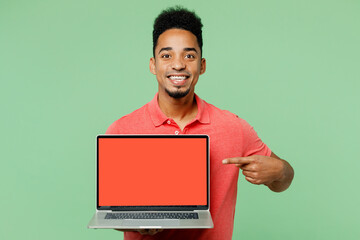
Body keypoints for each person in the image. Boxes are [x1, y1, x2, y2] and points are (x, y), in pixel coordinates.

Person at [106, 6, 294, 240]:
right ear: (153, 65)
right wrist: (137, 224)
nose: (178, 64)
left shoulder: (233, 127)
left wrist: (281, 171)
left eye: (189, 55)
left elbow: (282, 181)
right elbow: (112, 212)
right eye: (167, 55)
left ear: (202, 65)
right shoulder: (122, 130)